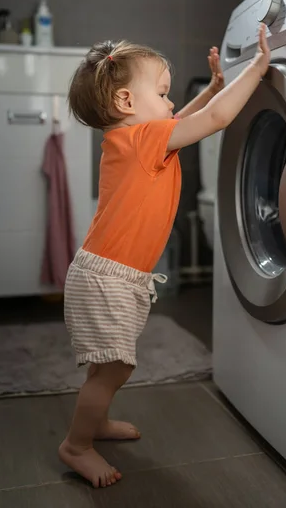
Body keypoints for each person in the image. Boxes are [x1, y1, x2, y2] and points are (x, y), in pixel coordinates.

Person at [59, 24, 271, 488]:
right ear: (126, 104)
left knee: (107, 364)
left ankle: (94, 423)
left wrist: (215, 87)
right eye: (163, 93)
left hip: (110, 274)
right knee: (114, 366)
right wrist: (257, 69)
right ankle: (76, 445)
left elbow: (183, 124)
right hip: (108, 278)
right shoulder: (142, 141)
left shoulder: (133, 141)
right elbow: (214, 121)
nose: (172, 103)